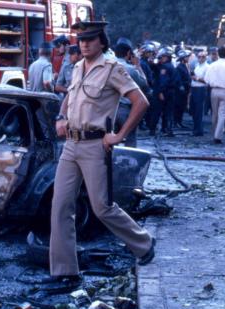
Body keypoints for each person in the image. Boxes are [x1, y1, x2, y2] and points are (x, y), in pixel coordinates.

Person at [48, 20, 155, 285]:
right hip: (71, 144)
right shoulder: (75, 68)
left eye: (90, 39)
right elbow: (70, 98)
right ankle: (65, 272)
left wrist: (119, 135)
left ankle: (143, 243)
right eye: (81, 39)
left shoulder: (112, 69)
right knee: (60, 205)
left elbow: (140, 102)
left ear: (102, 42)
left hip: (96, 145)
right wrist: (61, 116)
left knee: (101, 207)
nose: (84, 44)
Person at [114, 37, 148, 147]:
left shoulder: (107, 66)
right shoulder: (131, 69)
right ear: (128, 53)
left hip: (109, 108)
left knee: (110, 139)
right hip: (125, 109)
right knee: (130, 138)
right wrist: (137, 65)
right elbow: (144, 83)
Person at [152, 47, 176, 137]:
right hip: (170, 91)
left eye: (162, 57)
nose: (161, 59)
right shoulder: (171, 66)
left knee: (157, 111)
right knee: (168, 111)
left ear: (166, 57)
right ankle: (166, 129)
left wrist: (160, 92)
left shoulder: (165, 67)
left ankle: (153, 129)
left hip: (164, 91)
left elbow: (163, 80)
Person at [190, 51, 209, 136]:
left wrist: (196, 78)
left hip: (200, 89)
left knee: (198, 110)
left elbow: (207, 81)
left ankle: (198, 130)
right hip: (194, 88)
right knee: (194, 110)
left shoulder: (207, 67)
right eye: (199, 57)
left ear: (206, 58)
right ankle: (196, 128)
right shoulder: (197, 66)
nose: (201, 58)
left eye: (203, 57)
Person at [139, 43, 156, 131]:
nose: (150, 54)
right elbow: (145, 77)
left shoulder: (146, 62)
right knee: (144, 107)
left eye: (151, 52)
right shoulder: (142, 63)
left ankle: (145, 123)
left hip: (147, 86)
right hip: (145, 87)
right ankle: (141, 123)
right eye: (149, 52)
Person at [174, 50, 192, 128]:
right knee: (178, 107)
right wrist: (181, 88)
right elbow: (178, 80)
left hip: (185, 90)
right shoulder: (179, 67)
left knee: (182, 107)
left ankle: (179, 121)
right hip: (180, 91)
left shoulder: (185, 66)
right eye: (186, 57)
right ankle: (176, 122)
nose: (188, 58)